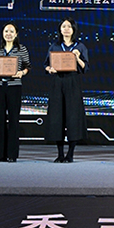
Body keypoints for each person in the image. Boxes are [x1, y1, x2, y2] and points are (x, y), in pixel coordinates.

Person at [44, 18, 88, 163]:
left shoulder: (80, 46)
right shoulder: (55, 46)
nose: (66, 29)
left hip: (72, 82)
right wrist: (50, 69)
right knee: (57, 117)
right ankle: (60, 154)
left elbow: (85, 67)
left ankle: (70, 154)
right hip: (57, 82)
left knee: (73, 117)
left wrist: (77, 57)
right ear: (60, 29)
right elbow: (46, 65)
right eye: (64, 26)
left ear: (74, 29)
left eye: (69, 26)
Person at [0, 22, 30, 163]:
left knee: (13, 120)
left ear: (16, 34)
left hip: (14, 86)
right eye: (6, 31)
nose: (8, 34)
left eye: (11, 31)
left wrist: (22, 73)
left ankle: (12, 154)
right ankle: (0, 154)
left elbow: (27, 66)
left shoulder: (22, 49)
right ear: (2, 33)